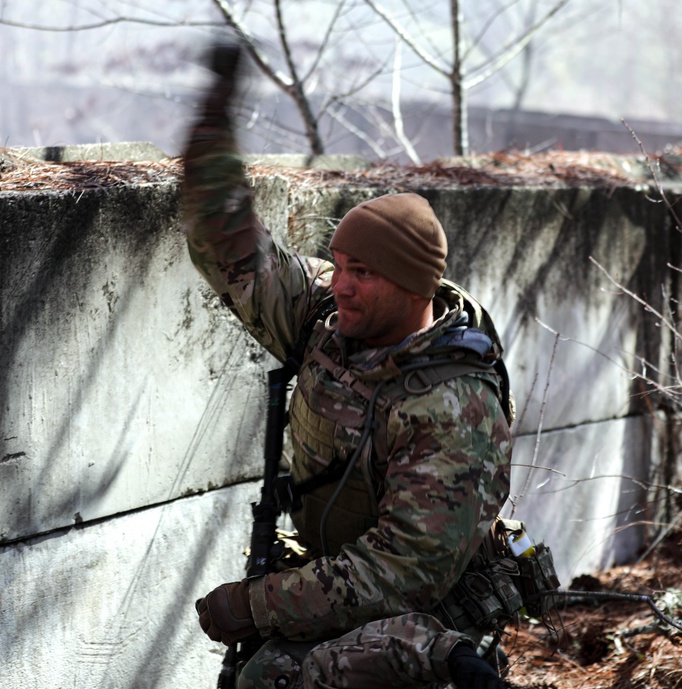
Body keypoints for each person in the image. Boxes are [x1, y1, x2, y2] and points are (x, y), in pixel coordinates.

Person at [185, 42, 513, 689]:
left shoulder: (454, 405)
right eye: (337, 265)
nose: (340, 284)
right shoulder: (326, 322)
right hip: (337, 580)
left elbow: (403, 570)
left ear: (414, 286)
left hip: (426, 615)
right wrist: (213, 120)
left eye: (361, 272)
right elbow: (227, 239)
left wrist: (257, 604)